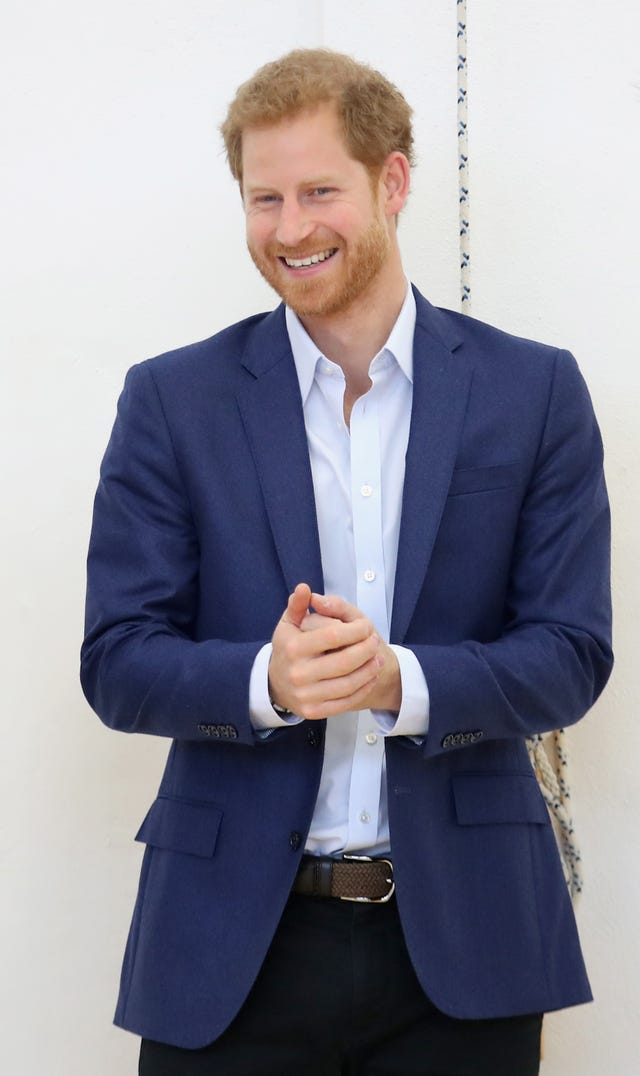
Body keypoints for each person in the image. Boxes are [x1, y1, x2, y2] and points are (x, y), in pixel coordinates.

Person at [81, 48, 613, 1076]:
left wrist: (401, 680)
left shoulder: (533, 392)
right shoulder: (173, 401)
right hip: (230, 946)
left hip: (466, 947)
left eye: (320, 190)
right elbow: (118, 657)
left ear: (394, 181)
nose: (290, 229)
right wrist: (265, 681)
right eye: (262, 197)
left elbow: (571, 650)